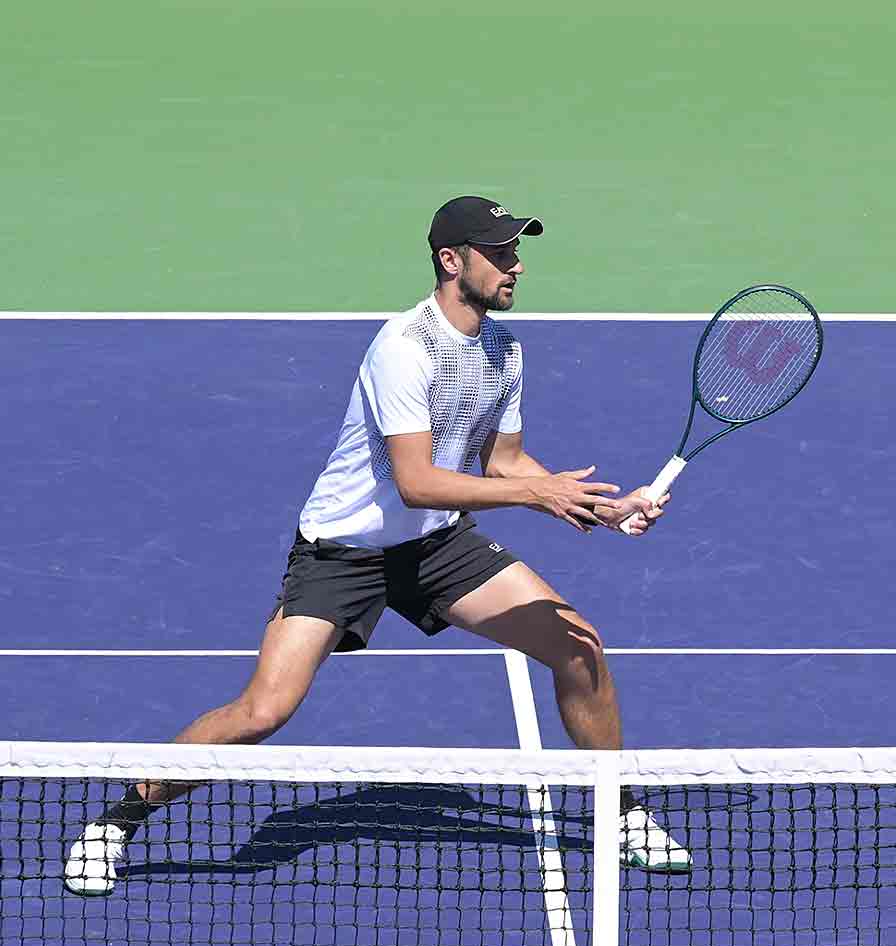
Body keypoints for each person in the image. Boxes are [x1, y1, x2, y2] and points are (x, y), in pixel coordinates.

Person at [64, 196, 688, 896]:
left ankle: (624, 810)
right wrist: (539, 497)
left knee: (579, 645)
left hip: (433, 548)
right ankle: (115, 822)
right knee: (263, 711)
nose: (515, 266)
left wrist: (606, 507)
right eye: (500, 253)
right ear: (452, 261)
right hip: (342, 553)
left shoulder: (503, 352)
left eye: (516, 252)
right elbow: (418, 481)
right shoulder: (403, 348)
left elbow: (505, 464)